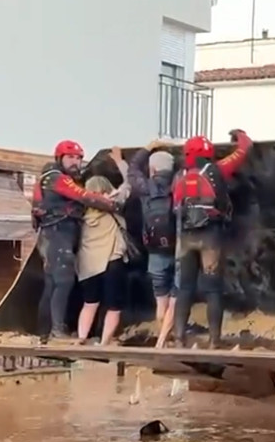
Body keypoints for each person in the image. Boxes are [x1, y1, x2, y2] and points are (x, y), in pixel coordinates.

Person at [172, 129, 253, 348]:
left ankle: (179, 337)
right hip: (211, 236)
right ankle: (214, 340)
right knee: (213, 288)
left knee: (185, 288)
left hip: (186, 237)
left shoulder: (180, 175)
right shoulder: (217, 169)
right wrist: (239, 135)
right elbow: (245, 149)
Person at [32, 140, 118, 341]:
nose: (76, 162)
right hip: (57, 234)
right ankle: (57, 330)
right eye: (70, 157)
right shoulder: (57, 178)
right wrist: (110, 203)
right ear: (59, 158)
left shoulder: (49, 178)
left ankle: (43, 331)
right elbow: (83, 196)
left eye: (79, 158)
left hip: (53, 234)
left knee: (53, 283)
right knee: (63, 281)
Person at [113, 140, 180, 348]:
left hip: (154, 251)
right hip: (178, 249)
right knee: (175, 299)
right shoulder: (179, 183)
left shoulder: (145, 187)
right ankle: (165, 340)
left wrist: (148, 148)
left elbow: (132, 170)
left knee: (161, 299)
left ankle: (163, 339)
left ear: (152, 169)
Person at [75, 173, 131, 345]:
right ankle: (104, 343)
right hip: (112, 261)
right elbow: (127, 186)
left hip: (88, 264)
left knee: (89, 303)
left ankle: (81, 339)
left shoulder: (81, 211)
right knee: (114, 307)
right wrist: (120, 162)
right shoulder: (113, 203)